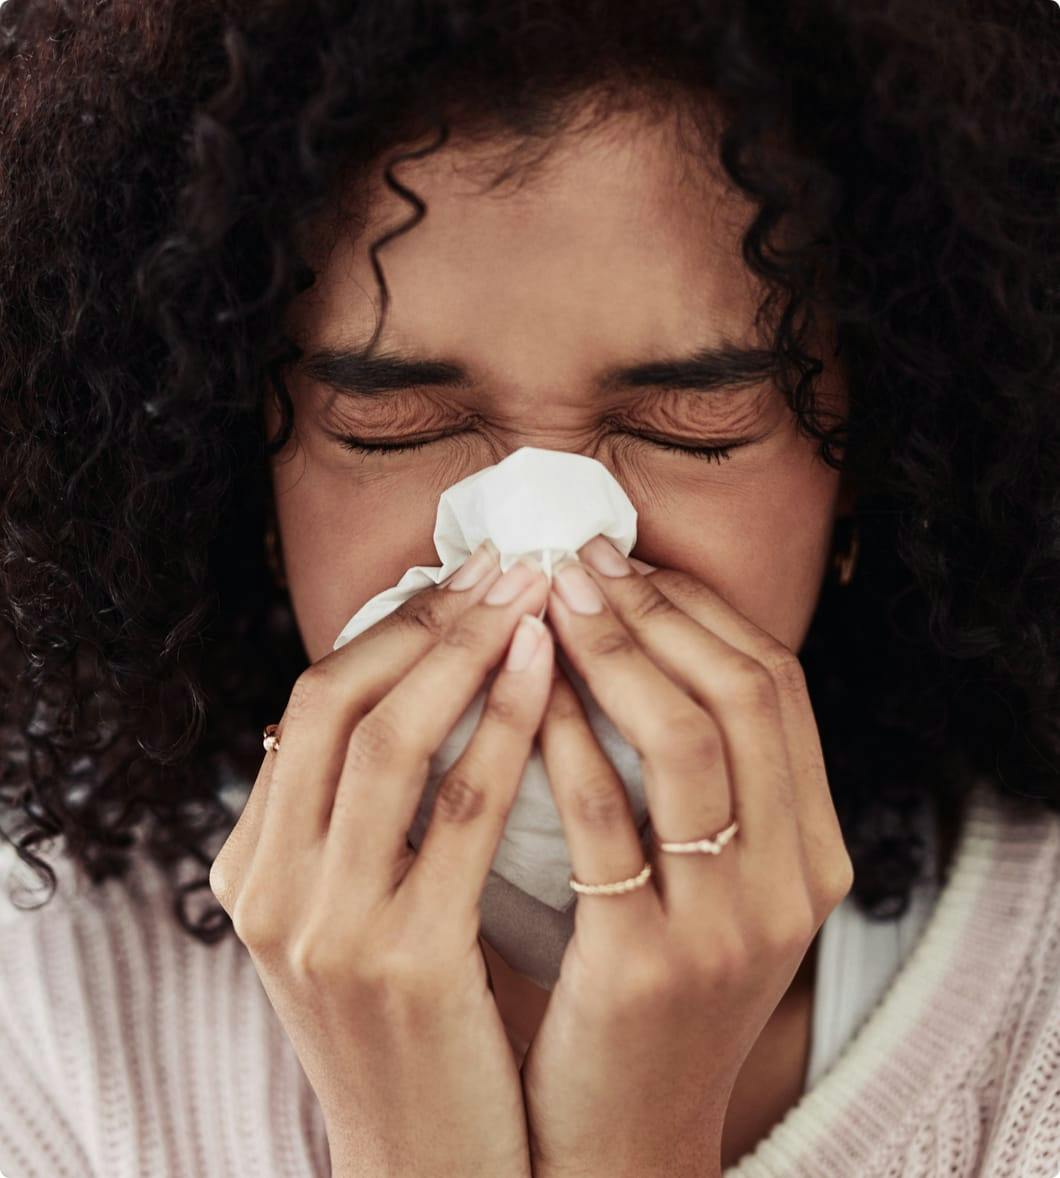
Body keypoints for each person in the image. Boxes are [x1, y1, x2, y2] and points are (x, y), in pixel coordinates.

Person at [0, 0, 1057, 1175]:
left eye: (689, 425)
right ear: (243, 464)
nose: (543, 557)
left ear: (860, 464)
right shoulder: (42, 998)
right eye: (395, 426)